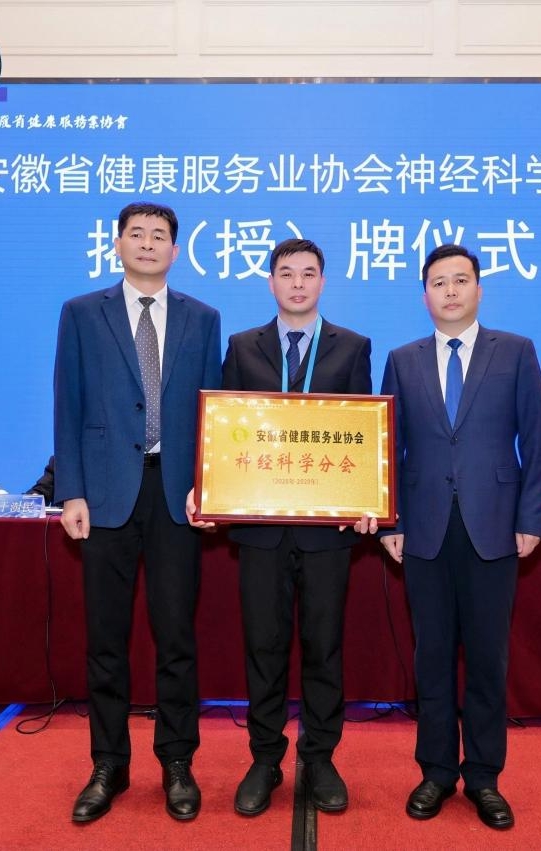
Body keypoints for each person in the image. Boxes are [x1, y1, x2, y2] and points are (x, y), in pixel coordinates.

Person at [186, 238, 374, 816]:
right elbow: (225, 429)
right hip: (260, 529)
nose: (297, 283)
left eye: (308, 273)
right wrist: (208, 487)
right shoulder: (243, 346)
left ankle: (319, 758)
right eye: (286, 273)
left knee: (324, 648)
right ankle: (265, 759)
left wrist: (370, 496)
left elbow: (364, 434)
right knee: (263, 648)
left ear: (323, 282)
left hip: (326, 533)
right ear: (270, 282)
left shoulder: (353, 347)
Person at [53, 202, 221, 823]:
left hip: (177, 495)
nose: (148, 244)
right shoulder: (81, 313)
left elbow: (212, 412)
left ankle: (177, 762)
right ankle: (108, 764)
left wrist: (210, 486)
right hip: (104, 495)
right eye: (137, 234)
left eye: (160, 236)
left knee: (176, 638)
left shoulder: (203, 318)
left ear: (176, 250)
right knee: (106, 639)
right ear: (117, 244)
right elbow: (67, 405)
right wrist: (71, 490)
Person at [378, 243, 541, 831]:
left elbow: (537, 440)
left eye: (460, 280)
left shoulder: (516, 351)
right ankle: (435, 772)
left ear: (479, 289)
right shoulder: (402, 360)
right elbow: (390, 448)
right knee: (431, 658)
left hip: (494, 527)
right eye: (438, 282)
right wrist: (392, 521)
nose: (450, 291)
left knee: (486, 659)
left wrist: (532, 518)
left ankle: (483, 777)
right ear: (424, 294)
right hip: (424, 530)